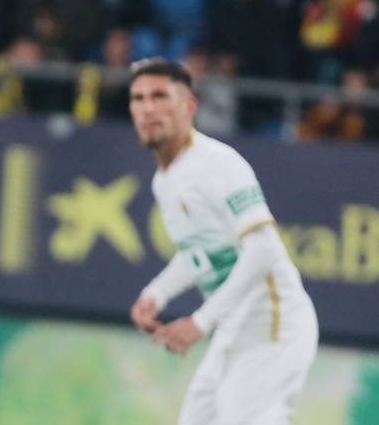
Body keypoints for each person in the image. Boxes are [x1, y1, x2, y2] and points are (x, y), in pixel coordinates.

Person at [127, 58, 318, 425]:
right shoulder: (165, 180)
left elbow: (263, 248)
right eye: (138, 98)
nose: (147, 108)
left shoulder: (218, 165)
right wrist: (157, 293)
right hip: (236, 328)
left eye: (160, 96)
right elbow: (199, 253)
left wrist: (200, 322)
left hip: (273, 325)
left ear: (189, 106)